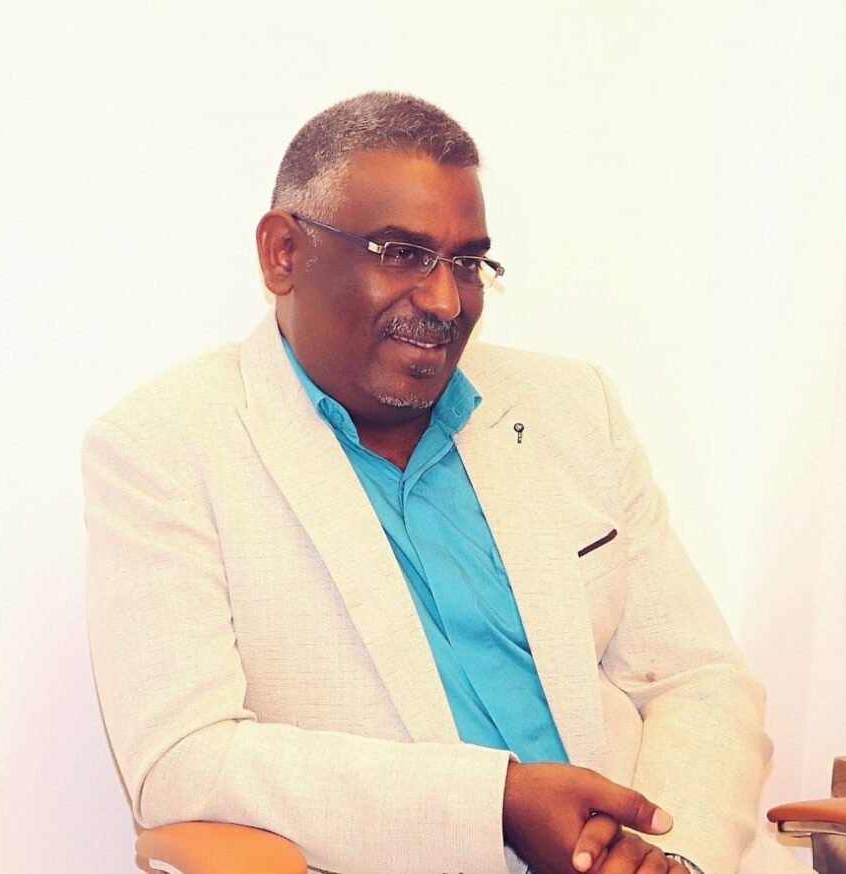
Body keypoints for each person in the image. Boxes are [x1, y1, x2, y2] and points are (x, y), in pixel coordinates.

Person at [84, 92, 808, 874]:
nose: (443, 300)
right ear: (284, 253)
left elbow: (698, 676)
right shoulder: (166, 448)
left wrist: (671, 854)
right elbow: (183, 761)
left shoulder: (572, 407)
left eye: (467, 264)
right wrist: (497, 804)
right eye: (400, 253)